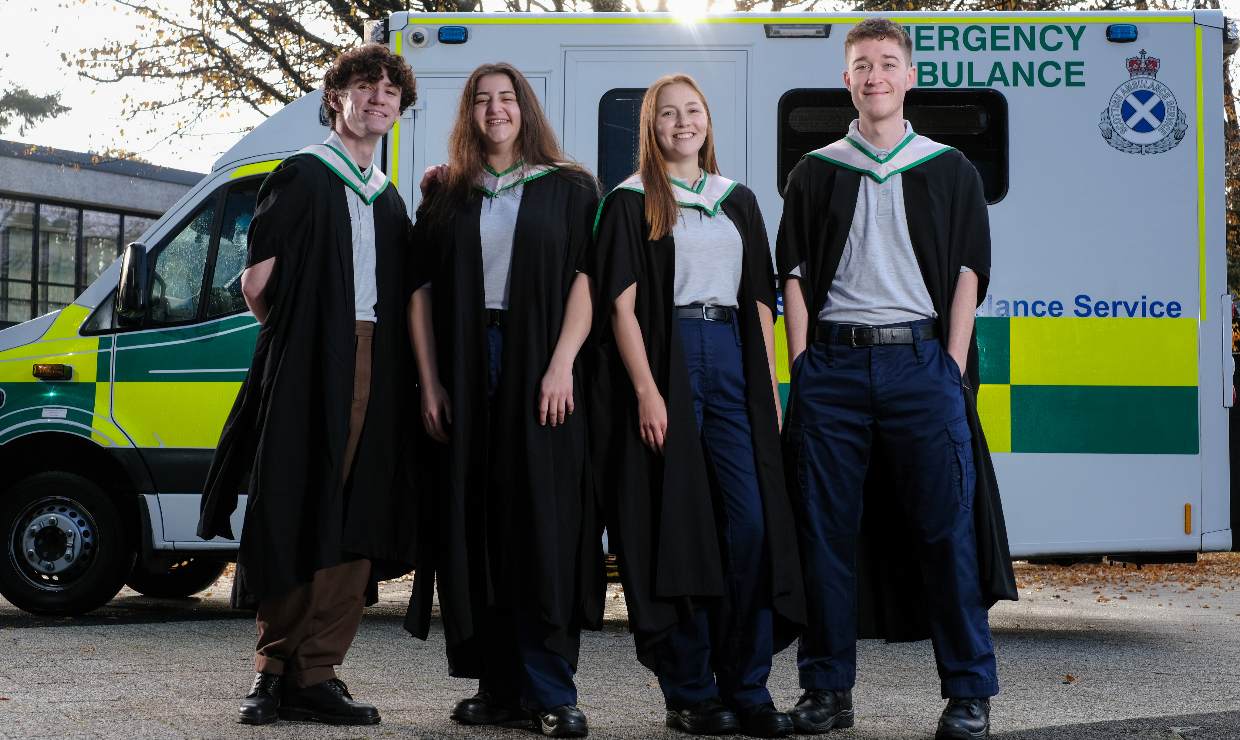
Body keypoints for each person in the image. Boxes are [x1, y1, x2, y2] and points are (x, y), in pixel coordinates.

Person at [776, 19, 1018, 740]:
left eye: (887, 63)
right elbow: (792, 273)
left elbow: (970, 272)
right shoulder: (817, 170)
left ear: (908, 76)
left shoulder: (949, 170)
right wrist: (800, 368)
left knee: (946, 533)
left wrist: (950, 365)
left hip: (921, 369)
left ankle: (969, 693)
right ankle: (826, 693)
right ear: (846, 79)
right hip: (834, 370)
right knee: (825, 536)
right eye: (861, 65)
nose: (875, 75)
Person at [197, 43, 419, 726]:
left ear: (400, 108)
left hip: (376, 364)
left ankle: (315, 673)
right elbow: (255, 285)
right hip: (309, 360)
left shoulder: (389, 201)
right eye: (364, 86)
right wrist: (301, 336)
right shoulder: (302, 175)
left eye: (390, 91)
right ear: (337, 97)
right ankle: (277, 667)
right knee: (295, 500)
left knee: (353, 510)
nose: (378, 99)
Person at [590, 73, 805, 739]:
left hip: (734, 361)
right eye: (668, 115)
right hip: (671, 358)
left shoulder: (736, 200)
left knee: (751, 527)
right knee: (677, 529)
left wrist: (770, 389)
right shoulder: (630, 202)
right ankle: (689, 691)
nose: (683, 123)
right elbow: (619, 305)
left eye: (693, 112)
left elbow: (762, 302)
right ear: (651, 128)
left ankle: (747, 686)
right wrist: (649, 390)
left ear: (707, 121)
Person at [404, 62, 603, 739]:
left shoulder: (571, 188)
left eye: (507, 98)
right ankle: (497, 687)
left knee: (540, 522)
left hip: (539, 364)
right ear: (469, 113)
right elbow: (420, 291)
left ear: (526, 110)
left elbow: (587, 279)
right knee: (478, 521)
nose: (496, 109)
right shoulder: (449, 193)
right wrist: (430, 382)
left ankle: (551, 690)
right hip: (466, 361)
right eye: (482, 100)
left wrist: (562, 366)